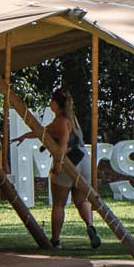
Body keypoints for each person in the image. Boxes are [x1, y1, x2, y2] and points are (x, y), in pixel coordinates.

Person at [46, 90, 100, 248]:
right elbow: (43, 131)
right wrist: (24, 136)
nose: (50, 103)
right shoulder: (72, 118)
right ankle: (90, 225)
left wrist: (58, 163)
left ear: (56, 103)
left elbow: (63, 143)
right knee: (81, 199)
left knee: (58, 204)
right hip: (84, 159)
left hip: (68, 162)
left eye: (51, 100)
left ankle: (55, 239)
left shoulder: (61, 121)